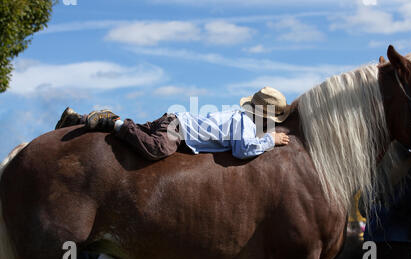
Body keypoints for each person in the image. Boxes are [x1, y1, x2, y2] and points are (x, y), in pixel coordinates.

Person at [55, 86, 290, 160]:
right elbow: (241, 150)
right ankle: (113, 123)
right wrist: (271, 139)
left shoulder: (242, 118)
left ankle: (78, 120)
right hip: (179, 129)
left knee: (142, 133)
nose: (269, 124)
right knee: (157, 149)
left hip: (177, 122)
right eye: (270, 119)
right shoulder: (245, 123)